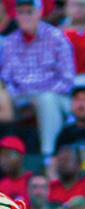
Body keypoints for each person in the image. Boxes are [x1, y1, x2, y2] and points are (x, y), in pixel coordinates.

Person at [0, 0, 75, 159]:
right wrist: (21, 97)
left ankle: (49, 156)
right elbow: (6, 78)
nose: (25, 16)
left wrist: (38, 96)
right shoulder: (10, 42)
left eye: (29, 12)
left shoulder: (57, 37)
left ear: (39, 13)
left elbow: (67, 80)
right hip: (21, 96)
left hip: (55, 96)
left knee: (46, 100)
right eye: (21, 12)